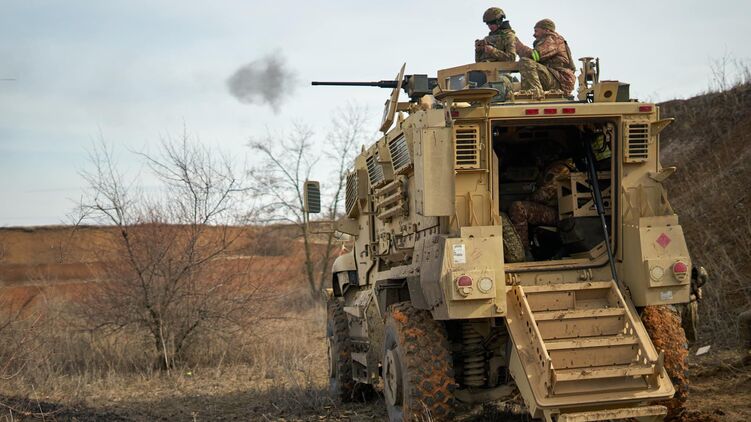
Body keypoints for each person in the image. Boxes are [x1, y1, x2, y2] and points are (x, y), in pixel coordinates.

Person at [508, 159, 573, 254]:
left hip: (561, 213)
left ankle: (523, 252)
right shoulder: (555, 167)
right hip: (558, 210)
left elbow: (543, 195)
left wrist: (526, 200)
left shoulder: (560, 169)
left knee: (518, 208)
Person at [515, 19, 576, 95]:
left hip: (559, 80)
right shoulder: (549, 40)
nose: (534, 35)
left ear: (547, 30)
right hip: (555, 77)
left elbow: (535, 56)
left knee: (526, 62)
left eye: (536, 31)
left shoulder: (553, 39)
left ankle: (536, 93)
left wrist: (517, 45)